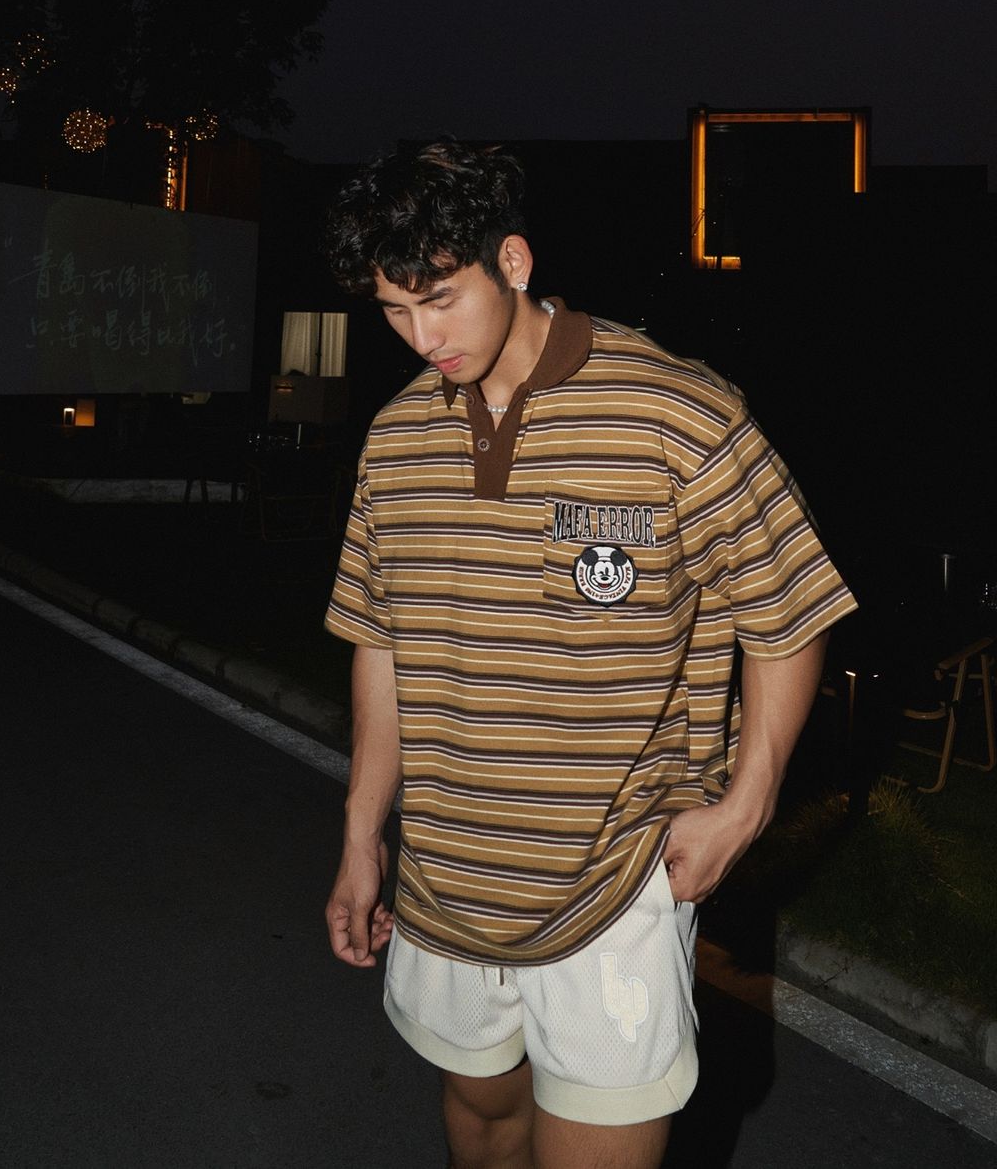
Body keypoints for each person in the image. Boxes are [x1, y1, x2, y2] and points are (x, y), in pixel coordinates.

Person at [322, 139, 856, 1169]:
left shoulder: (676, 412)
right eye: (392, 310)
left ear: (513, 262)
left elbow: (789, 613)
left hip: (614, 887)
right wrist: (359, 836)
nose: (420, 337)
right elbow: (381, 644)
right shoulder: (394, 441)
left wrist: (744, 807)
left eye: (439, 300)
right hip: (446, 882)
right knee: (481, 1125)